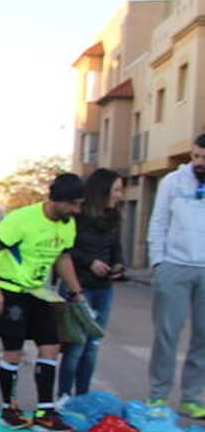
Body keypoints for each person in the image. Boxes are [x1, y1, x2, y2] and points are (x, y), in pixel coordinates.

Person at [0, 173, 87, 432]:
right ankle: (9, 409)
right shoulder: (21, 220)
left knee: (50, 348)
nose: (77, 210)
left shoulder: (67, 224)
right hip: (11, 291)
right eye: (73, 204)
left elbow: (62, 258)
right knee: (13, 353)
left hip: (40, 293)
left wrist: (77, 291)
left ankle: (45, 413)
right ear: (57, 200)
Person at [147, 132, 205, 419]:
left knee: (203, 337)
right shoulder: (172, 182)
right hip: (174, 265)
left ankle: (191, 397)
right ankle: (158, 396)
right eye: (196, 156)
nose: (199, 162)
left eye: (204, 158)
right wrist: (158, 262)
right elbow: (158, 221)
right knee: (167, 335)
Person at [59, 168, 126, 399]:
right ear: (103, 190)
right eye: (117, 189)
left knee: (92, 346)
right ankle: (64, 398)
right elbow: (65, 252)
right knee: (76, 346)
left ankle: (83, 396)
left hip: (103, 289)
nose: (120, 195)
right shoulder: (77, 217)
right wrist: (90, 263)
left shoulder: (114, 216)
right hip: (79, 286)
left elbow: (116, 248)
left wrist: (118, 265)